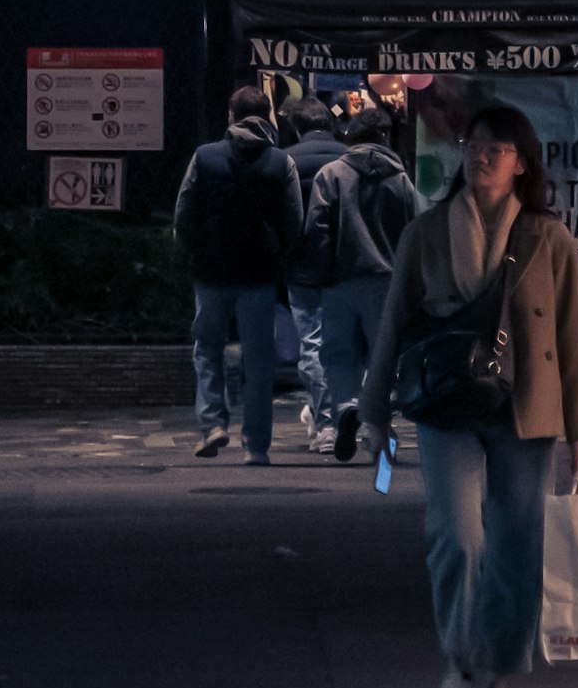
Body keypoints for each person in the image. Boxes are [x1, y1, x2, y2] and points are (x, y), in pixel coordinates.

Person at [363, 104, 578, 688]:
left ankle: (495, 684)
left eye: (499, 149)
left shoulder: (550, 238)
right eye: (474, 146)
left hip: (528, 409)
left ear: (523, 163)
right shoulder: (428, 232)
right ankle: (459, 665)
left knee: (519, 546)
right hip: (445, 403)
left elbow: (573, 337)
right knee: (456, 538)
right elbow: (393, 326)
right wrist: (375, 410)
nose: (483, 158)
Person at [172, 82, 302, 461]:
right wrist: (279, 257)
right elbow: (294, 220)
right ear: (266, 118)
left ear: (230, 115)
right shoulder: (281, 162)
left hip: (211, 272)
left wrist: (191, 253)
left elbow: (184, 211)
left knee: (208, 348)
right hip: (259, 275)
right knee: (258, 360)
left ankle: (213, 424)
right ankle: (256, 447)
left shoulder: (205, 156)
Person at [302, 107, 423, 465]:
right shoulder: (401, 180)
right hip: (387, 283)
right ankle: (379, 435)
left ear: (350, 137)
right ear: (387, 137)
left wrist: (319, 273)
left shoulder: (331, 175)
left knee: (338, 356)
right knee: (383, 359)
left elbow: (316, 230)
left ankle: (346, 409)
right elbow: (414, 232)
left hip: (340, 281)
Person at [279, 97, 350, 441]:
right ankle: (348, 412)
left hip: (304, 267)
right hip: (349, 265)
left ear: (296, 126)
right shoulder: (350, 158)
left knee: (312, 344)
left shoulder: (286, 159)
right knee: (347, 344)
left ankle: (324, 424)